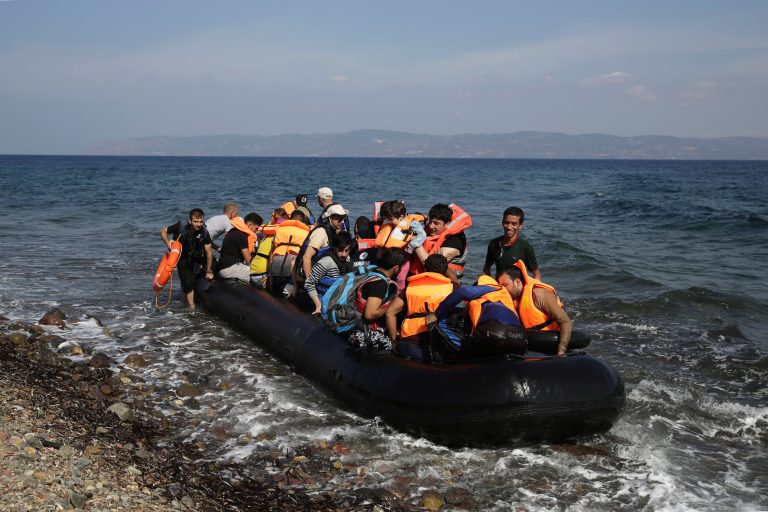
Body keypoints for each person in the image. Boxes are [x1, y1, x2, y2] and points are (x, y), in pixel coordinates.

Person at [385, 254, 457, 353]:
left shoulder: (411, 287)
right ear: (445, 270)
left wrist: (394, 341)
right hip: (437, 342)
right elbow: (454, 278)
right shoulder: (452, 288)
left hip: (408, 342)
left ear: (425, 269)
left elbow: (390, 312)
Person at [497, 260, 572, 355]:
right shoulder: (514, 299)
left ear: (517, 282)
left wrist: (561, 351)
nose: (503, 290)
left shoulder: (539, 294)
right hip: (532, 344)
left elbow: (566, 322)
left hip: (550, 344)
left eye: (505, 285)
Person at [346, 248, 406, 351]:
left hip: (352, 320)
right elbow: (369, 314)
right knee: (399, 347)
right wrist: (389, 308)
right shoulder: (380, 284)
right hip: (361, 329)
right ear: (396, 268)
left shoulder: (372, 271)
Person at [159, 208, 214, 307]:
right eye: (196, 221)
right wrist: (168, 244)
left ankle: (185, 297)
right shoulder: (181, 226)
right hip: (181, 256)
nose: (199, 224)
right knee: (188, 282)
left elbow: (209, 252)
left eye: (201, 221)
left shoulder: (204, 232)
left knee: (215, 265)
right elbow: (163, 231)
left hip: (195, 254)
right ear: (190, 221)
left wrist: (209, 270)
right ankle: (191, 308)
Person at [411, 203, 471, 280]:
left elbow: (432, 265)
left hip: (447, 281)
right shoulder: (431, 230)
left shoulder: (454, 242)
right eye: (430, 221)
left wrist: (415, 242)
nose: (431, 226)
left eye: (436, 223)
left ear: (447, 223)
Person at [483, 206, 541, 280]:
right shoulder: (494, 244)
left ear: (520, 226)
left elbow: (536, 274)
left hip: (518, 289)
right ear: (502, 222)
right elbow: (486, 268)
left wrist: (533, 289)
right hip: (500, 288)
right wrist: (488, 285)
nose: (509, 227)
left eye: (514, 224)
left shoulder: (526, 247)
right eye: (507, 222)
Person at [304, 231, 354, 314]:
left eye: (347, 250)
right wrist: (318, 305)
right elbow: (309, 283)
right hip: (324, 302)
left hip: (339, 302)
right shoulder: (327, 262)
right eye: (340, 250)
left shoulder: (348, 259)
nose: (344, 254)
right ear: (334, 248)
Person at [299, 203, 348, 283]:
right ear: (330, 218)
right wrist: (310, 284)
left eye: (344, 219)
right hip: (310, 277)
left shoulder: (334, 232)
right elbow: (306, 257)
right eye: (339, 219)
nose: (342, 222)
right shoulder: (321, 233)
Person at [268, 210, 311, 294]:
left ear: (290, 219)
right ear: (303, 222)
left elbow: (271, 254)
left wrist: (270, 278)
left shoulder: (279, 229)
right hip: (291, 273)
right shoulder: (306, 233)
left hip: (275, 270)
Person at [217, 213, 262, 283]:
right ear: (249, 225)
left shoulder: (234, 231)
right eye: (256, 228)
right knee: (260, 275)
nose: (256, 231)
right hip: (228, 269)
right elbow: (248, 260)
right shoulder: (241, 235)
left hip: (224, 266)